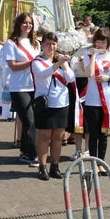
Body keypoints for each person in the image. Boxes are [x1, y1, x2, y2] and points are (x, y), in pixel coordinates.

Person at [31, 32, 75, 179]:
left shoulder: (60, 61)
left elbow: (70, 78)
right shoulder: (37, 61)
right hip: (45, 103)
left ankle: (54, 166)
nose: (51, 47)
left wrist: (65, 65)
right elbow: (43, 74)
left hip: (61, 103)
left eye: (54, 44)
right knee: (44, 136)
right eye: (48, 44)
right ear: (42, 45)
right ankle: (42, 167)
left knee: (57, 136)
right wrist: (58, 64)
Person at [82, 28, 110, 174]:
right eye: (97, 42)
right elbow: (90, 73)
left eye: (102, 42)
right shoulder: (87, 55)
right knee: (93, 133)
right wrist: (93, 56)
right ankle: (94, 163)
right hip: (93, 100)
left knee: (103, 134)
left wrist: (109, 79)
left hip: (108, 99)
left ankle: (102, 163)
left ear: (108, 43)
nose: (100, 44)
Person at [3, 13, 40, 164]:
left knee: (30, 121)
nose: (28, 25)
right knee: (29, 120)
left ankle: (25, 152)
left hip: (36, 86)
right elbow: (12, 65)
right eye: (25, 22)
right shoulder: (11, 43)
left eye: (30, 23)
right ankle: (34, 154)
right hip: (19, 87)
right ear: (19, 24)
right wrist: (32, 63)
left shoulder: (35, 43)